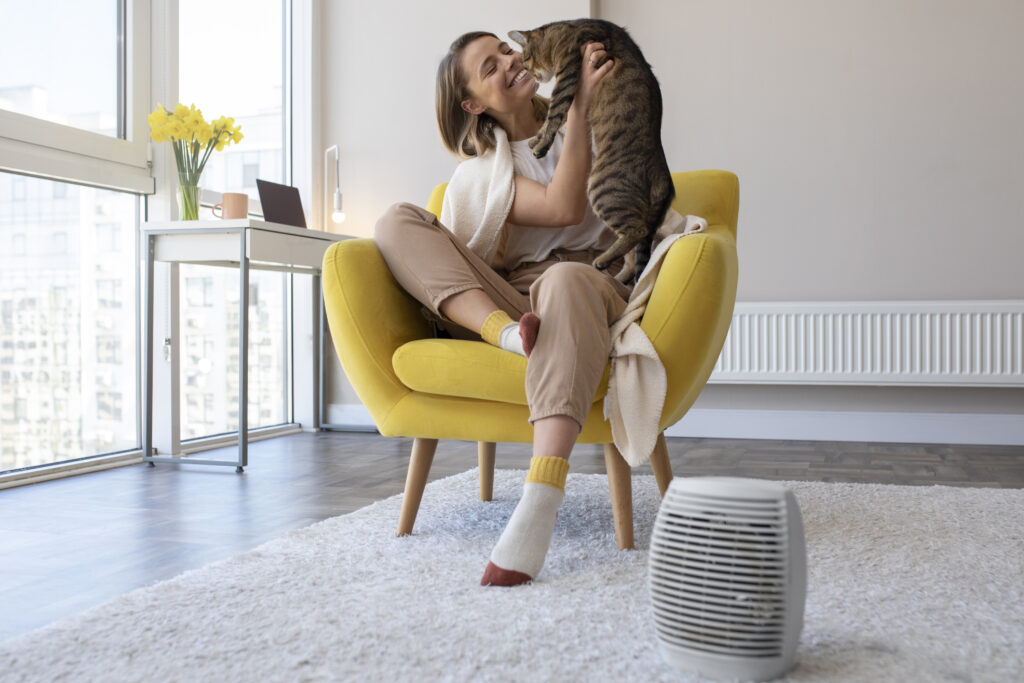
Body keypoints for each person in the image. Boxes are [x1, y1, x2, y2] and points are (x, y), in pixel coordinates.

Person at [374, 30, 624, 587]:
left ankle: (540, 497)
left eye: (506, 50)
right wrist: (578, 104)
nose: (510, 61)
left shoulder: (591, 118)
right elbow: (562, 205)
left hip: (594, 282)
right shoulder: (486, 173)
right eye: (490, 67)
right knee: (394, 220)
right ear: (473, 105)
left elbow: (590, 201)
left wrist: (581, 102)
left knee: (564, 278)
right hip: (516, 301)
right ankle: (506, 335)